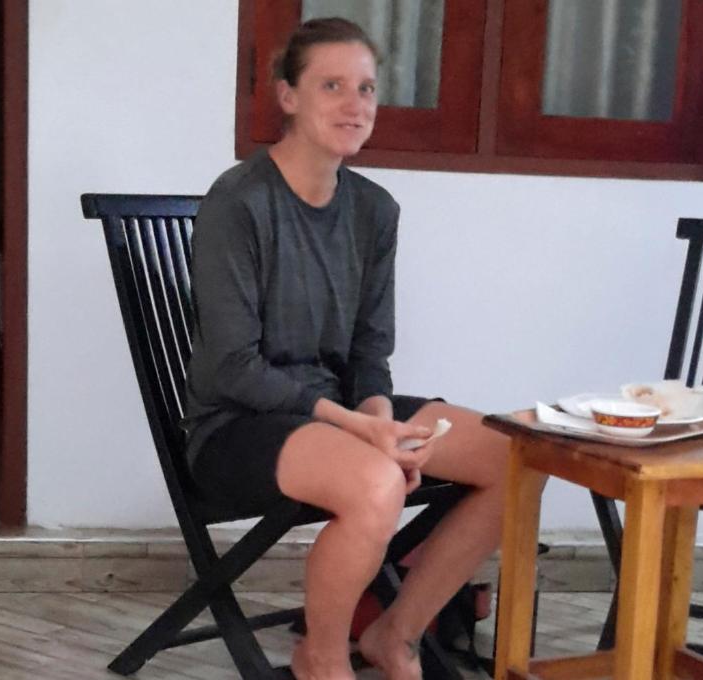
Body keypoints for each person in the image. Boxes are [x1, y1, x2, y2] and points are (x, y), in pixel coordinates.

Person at [183, 17, 513, 680]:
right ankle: (321, 657)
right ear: (288, 97)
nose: (354, 103)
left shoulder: (374, 210)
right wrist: (364, 432)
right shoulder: (238, 203)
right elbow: (232, 366)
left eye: (365, 88)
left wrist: (380, 421)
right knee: (376, 479)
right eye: (331, 84)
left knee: (517, 459)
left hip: (342, 415)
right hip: (238, 426)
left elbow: (370, 349)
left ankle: (395, 633)